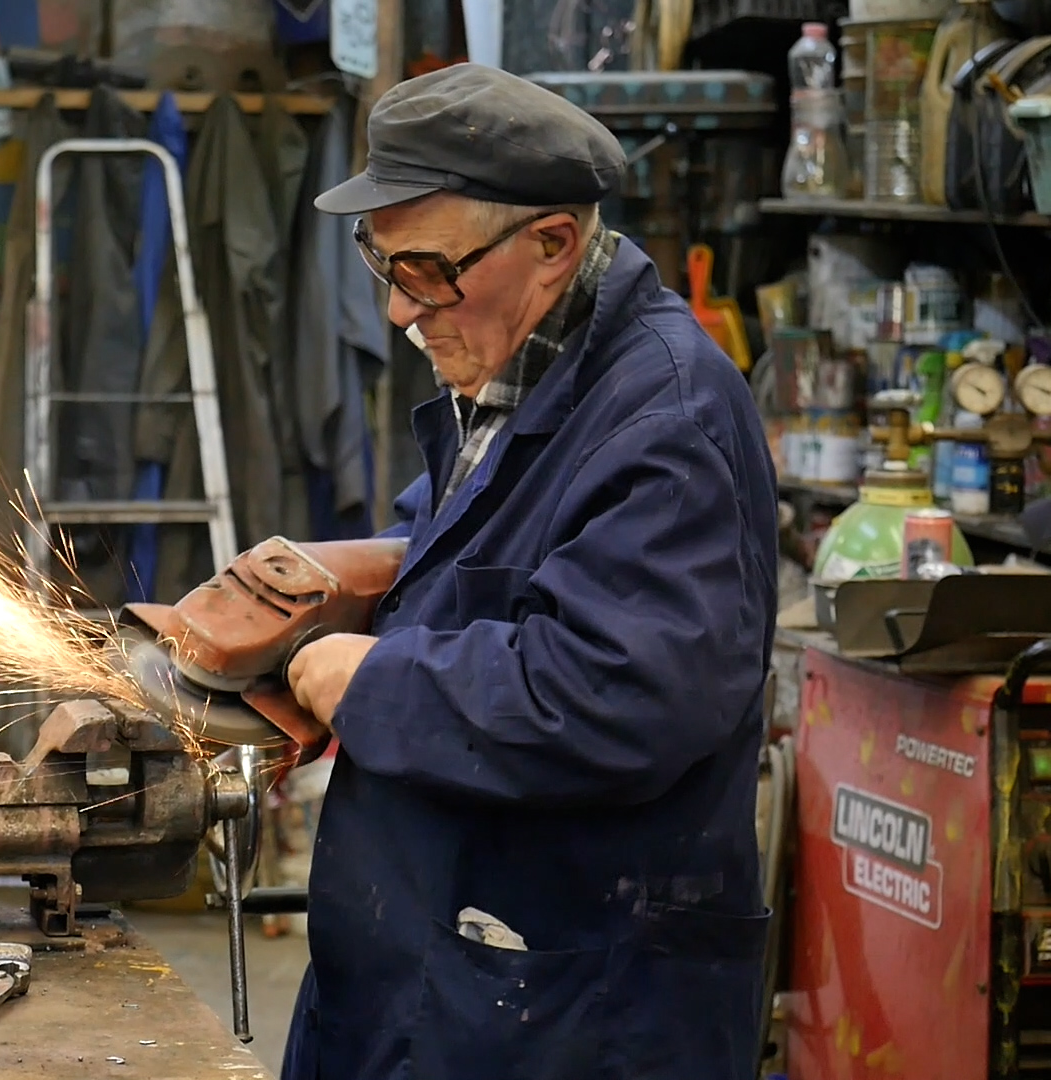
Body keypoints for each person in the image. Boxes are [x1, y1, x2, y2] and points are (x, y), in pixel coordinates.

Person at [276, 64, 778, 1080]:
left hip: (577, 1005)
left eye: (427, 272)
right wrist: (356, 575)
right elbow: (496, 535)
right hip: (448, 966)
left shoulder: (668, 421)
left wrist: (370, 681)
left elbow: (614, 695)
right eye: (386, 270)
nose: (402, 315)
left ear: (552, 245)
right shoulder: (522, 355)